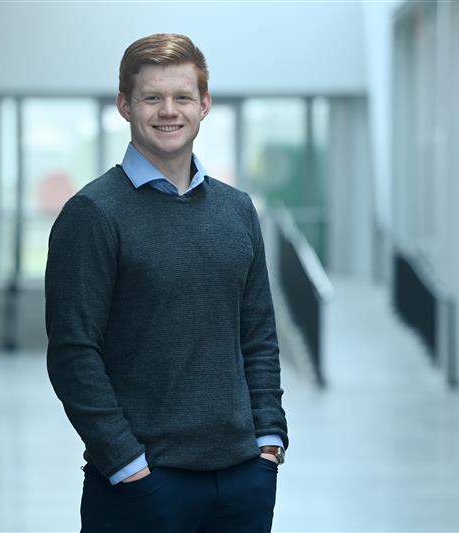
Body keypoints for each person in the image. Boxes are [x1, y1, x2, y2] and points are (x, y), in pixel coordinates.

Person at [45, 33, 288, 533]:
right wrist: (127, 465)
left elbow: (258, 333)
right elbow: (73, 353)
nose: (167, 111)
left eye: (181, 97)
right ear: (124, 106)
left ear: (204, 105)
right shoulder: (92, 214)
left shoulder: (237, 211)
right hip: (142, 487)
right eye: (151, 97)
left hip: (243, 480)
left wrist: (268, 440)